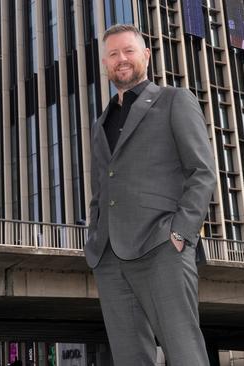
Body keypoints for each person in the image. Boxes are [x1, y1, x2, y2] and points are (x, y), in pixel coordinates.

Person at [85, 24, 216, 365]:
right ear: (105, 63)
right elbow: (101, 189)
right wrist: (95, 239)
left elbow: (202, 172)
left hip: (162, 248)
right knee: (130, 358)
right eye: (113, 54)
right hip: (110, 256)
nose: (121, 59)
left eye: (128, 51)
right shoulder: (101, 122)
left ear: (145, 55)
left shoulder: (174, 100)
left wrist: (181, 233)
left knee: (184, 352)